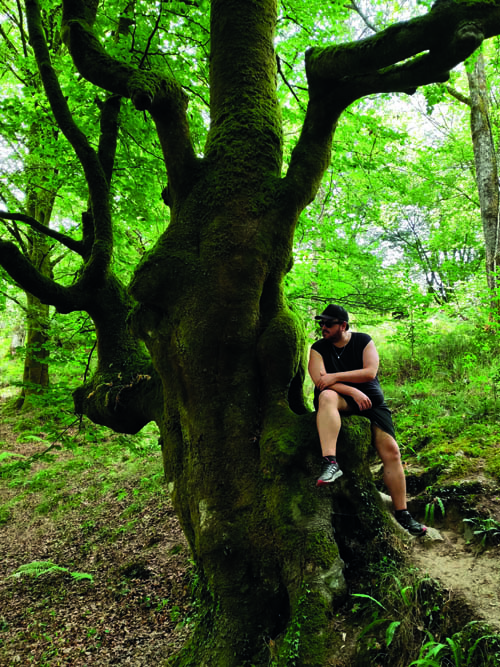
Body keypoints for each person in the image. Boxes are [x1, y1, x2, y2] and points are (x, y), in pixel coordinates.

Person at [308, 304, 426, 537]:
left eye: (328, 324)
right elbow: (320, 381)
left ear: (343, 325)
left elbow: (369, 372)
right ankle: (330, 463)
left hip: (371, 402)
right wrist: (351, 391)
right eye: (321, 323)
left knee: (392, 451)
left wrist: (336, 376)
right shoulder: (318, 348)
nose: (323, 327)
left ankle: (403, 513)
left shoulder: (363, 340)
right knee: (327, 395)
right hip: (340, 398)